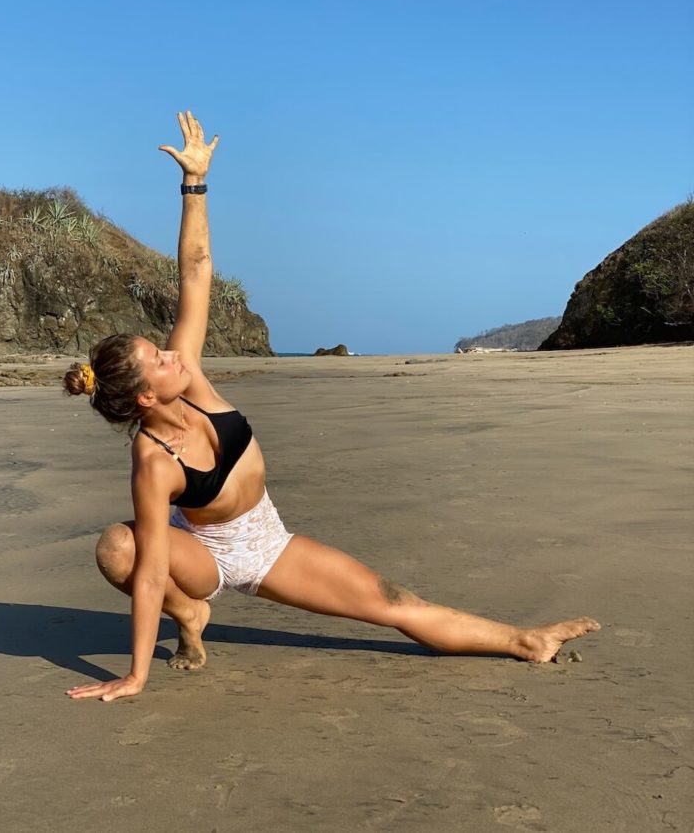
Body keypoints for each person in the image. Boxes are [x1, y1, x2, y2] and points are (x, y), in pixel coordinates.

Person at [63, 111, 600, 702]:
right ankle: (191, 617)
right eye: (157, 360)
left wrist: (194, 186)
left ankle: (525, 642)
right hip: (204, 557)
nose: (170, 354)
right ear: (144, 397)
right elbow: (149, 574)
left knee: (393, 602)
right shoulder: (154, 461)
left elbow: (196, 271)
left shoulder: (189, 374)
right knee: (120, 547)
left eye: (161, 348)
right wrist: (137, 673)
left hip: (265, 541)